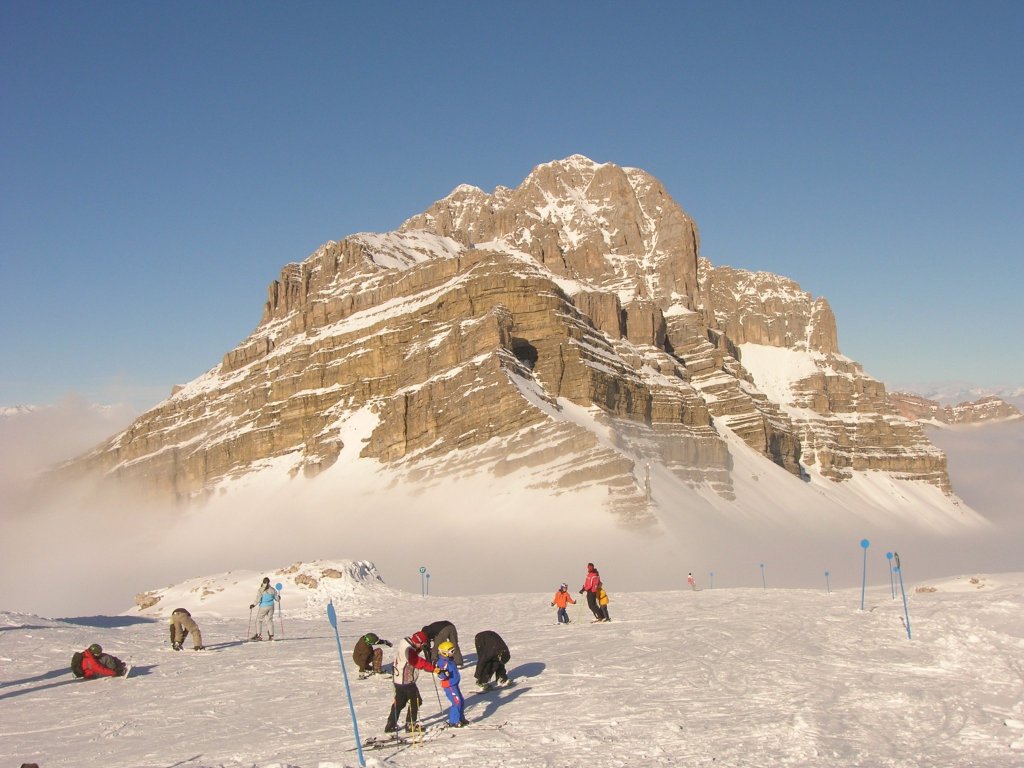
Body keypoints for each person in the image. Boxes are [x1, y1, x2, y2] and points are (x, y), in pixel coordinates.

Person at [384, 630, 436, 733]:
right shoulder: (410, 650)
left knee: (399, 702)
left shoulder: (405, 641)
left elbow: (412, 652)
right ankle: (410, 724)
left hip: (398, 679)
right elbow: (417, 661)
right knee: (416, 701)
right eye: (422, 645)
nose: (422, 647)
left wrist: (419, 649)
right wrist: (432, 668)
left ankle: (390, 725)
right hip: (406, 680)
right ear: (419, 642)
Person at [435, 640, 469, 727]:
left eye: (454, 650)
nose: (453, 653)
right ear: (445, 652)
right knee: (456, 702)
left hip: (454, 684)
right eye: (451, 651)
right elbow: (439, 674)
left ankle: (461, 718)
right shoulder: (443, 662)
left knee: (461, 700)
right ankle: (453, 721)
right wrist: (444, 674)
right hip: (449, 685)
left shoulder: (450, 660)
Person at [249, 577, 280, 641]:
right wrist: (279, 597)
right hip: (271, 607)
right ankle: (271, 636)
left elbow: (258, 599)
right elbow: (277, 599)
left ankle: (258, 635)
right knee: (269, 620)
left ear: (263, 582)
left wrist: (253, 605)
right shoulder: (273, 589)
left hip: (263, 607)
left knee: (259, 620)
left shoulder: (261, 590)